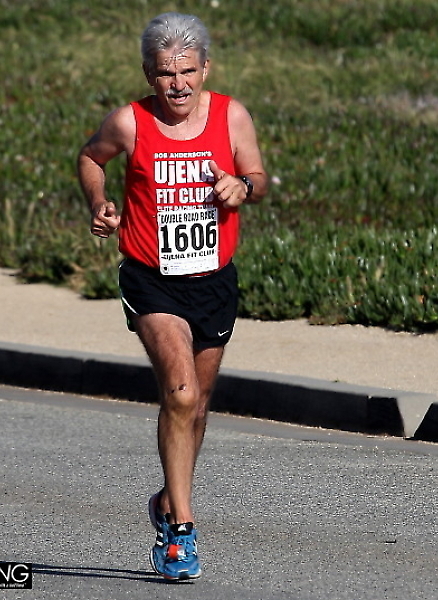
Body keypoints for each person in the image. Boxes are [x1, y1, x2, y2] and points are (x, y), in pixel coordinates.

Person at [77, 12, 268, 581]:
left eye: (187, 71)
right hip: (151, 278)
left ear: (205, 68)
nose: (178, 84)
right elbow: (91, 157)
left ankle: (166, 499)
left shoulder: (231, 115)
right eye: (165, 73)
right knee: (180, 393)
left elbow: (258, 176)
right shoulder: (130, 122)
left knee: (197, 407)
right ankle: (181, 531)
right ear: (148, 74)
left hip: (214, 280)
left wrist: (242, 186)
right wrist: (99, 203)